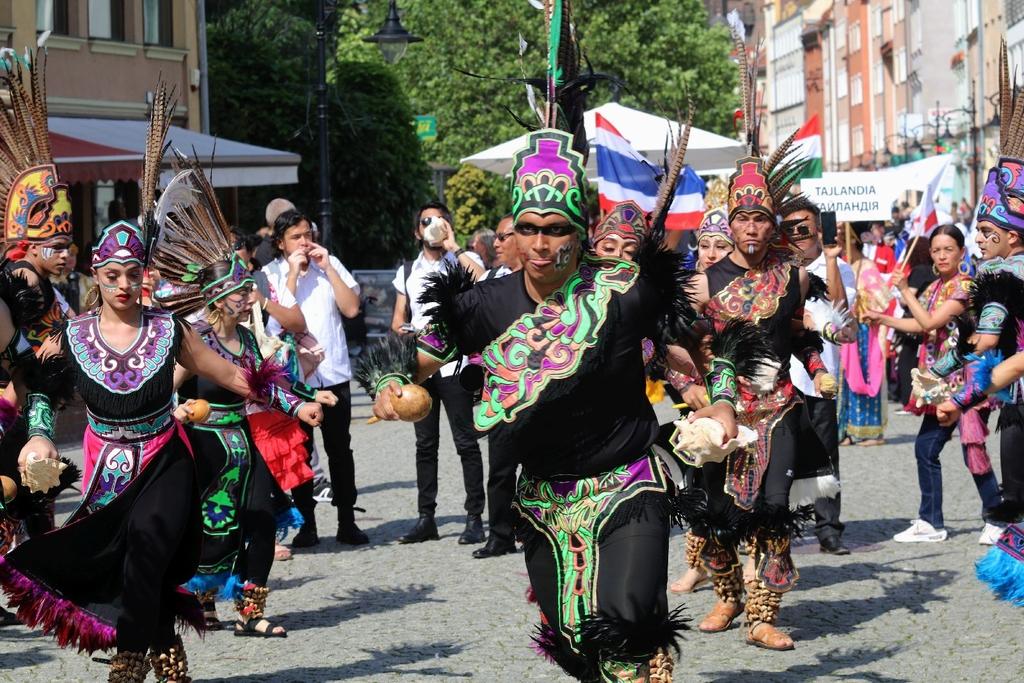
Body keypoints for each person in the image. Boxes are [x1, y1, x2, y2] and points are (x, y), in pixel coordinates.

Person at [358, 7, 752, 675]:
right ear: (514, 230)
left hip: (629, 482)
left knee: (628, 626)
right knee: (577, 647)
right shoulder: (484, 304)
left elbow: (707, 354)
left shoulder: (624, 290)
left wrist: (719, 405)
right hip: (542, 499)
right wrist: (393, 391)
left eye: (557, 228)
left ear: (580, 228)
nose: (542, 242)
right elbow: (412, 362)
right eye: (530, 227)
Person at [679, 31, 838, 651]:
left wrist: (819, 364)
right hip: (722, 412)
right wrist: (692, 389)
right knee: (717, 514)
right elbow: (679, 345)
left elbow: (798, 338)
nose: (751, 228)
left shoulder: (791, 276)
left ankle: (764, 614)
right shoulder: (702, 281)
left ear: (772, 223)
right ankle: (725, 596)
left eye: (760, 218)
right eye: (742, 218)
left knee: (772, 509)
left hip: (778, 410)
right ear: (730, 221)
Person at [149, 159, 334, 640]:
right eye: (238, 291)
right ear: (217, 294)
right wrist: (174, 411)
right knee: (212, 528)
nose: (248, 297)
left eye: (247, 289)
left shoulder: (250, 342)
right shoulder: (197, 342)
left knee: (259, 520)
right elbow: (164, 389)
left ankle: (250, 611)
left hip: (245, 444)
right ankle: (203, 601)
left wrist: (306, 400)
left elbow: (266, 385)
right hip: (205, 446)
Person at [864, 224, 1002, 544]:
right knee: (926, 447)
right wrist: (883, 318)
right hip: (941, 381)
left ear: (961, 253)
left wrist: (903, 291)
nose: (941, 256)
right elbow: (919, 325)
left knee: (973, 450)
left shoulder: (966, 285)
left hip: (968, 382)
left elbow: (930, 322)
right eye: (936, 250)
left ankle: (997, 518)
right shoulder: (936, 286)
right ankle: (931, 521)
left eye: (948, 250)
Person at [262, 209, 367, 547]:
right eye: (295, 237)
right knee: (300, 451)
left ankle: (346, 520)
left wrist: (329, 268)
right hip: (294, 380)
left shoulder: (328, 265)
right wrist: (292, 275)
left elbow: (351, 308)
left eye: (307, 234)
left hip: (333, 372)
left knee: (340, 449)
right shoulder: (269, 275)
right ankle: (307, 524)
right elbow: (275, 327)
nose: (304, 242)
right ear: (280, 243)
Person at [390, 202, 485, 545]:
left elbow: (482, 281)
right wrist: (403, 332)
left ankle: (475, 516)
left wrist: (453, 245)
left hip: (455, 364)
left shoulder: (458, 260)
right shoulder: (407, 270)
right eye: (426, 222)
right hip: (420, 367)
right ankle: (425, 517)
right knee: (424, 444)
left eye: (439, 221)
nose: (432, 226)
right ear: (416, 231)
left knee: (465, 441)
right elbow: (398, 317)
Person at [781, 199, 856, 557]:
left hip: (819, 375)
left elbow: (841, 313)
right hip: (780, 374)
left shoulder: (838, 266)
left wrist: (829, 259)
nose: (797, 234)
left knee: (825, 452)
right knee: (781, 452)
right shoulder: (776, 269)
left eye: (804, 226)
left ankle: (828, 528)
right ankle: (782, 526)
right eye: (790, 226)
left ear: (818, 228)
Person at [472, 214, 524, 560]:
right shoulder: (490, 282)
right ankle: (500, 534)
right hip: (501, 391)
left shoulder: (549, 282)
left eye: (504, 237)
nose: (497, 244)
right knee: (501, 469)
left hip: (543, 388)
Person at [836, 226, 887, 447]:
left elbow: (882, 300)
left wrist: (862, 301)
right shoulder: (846, 266)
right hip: (848, 329)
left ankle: (870, 432)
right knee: (846, 380)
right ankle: (848, 428)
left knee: (865, 376)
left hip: (864, 332)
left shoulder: (867, 267)